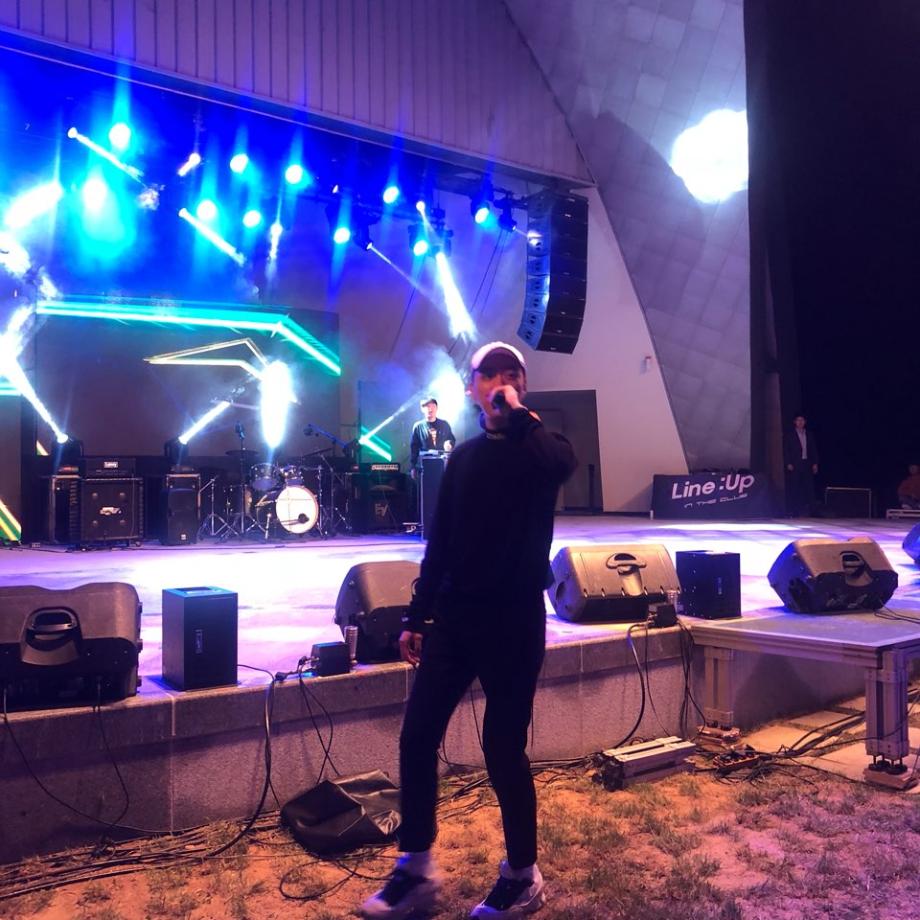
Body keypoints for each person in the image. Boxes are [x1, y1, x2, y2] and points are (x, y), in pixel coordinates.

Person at [360, 342, 576, 919]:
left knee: (502, 748)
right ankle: (415, 869)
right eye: (490, 375)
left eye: (512, 375)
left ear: (522, 386)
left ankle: (523, 875)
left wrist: (521, 417)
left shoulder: (540, 447)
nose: (501, 383)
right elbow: (442, 542)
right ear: (471, 387)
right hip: (456, 620)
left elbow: (560, 465)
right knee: (416, 737)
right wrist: (417, 614)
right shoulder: (464, 458)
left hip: (514, 621)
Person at [782, 413, 819, 516]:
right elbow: (786, 450)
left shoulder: (809, 434)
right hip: (795, 463)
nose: (800, 422)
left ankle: (813, 511)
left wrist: (815, 463)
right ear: (795, 422)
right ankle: (793, 510)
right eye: (798, 420)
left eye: (802, 420)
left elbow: (813, 449)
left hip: (806, 463)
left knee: (810, 487)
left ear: (805, 422)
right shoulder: (790, 434)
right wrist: (788, 462)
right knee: (794, 487)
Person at [410, 397, 455, 468]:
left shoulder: (444, 424)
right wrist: (413, 467)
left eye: (432, 406)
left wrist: (449, 444)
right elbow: (414, 449)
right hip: (425, 465)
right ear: (422, 409)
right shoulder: (418, 427)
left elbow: (451, 439)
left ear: (436, 408)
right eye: (427, 406)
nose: (430, 409)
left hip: (442, 464)